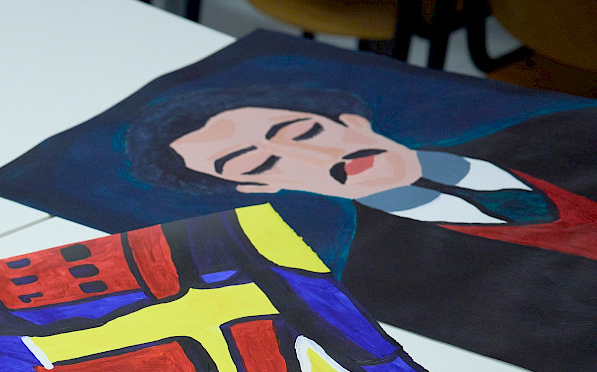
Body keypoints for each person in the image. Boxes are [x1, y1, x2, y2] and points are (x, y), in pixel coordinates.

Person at [126, 87, 597, 261]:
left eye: (305, 131)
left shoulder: (570, 130)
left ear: (350, 120)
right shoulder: (385, 278)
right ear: (257, 186)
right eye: (259, 163)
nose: (317, 155)